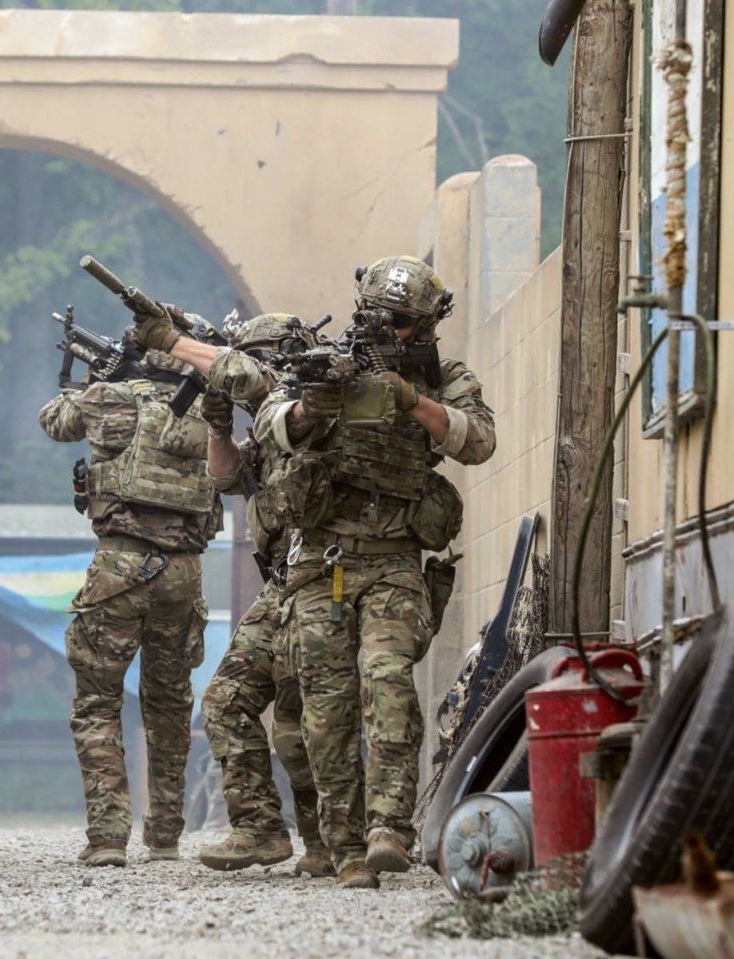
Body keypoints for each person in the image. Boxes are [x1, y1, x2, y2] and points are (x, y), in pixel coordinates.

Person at [249, 257, 496, 888]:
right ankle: (344, 846)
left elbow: (478, 440)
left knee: (384, 678)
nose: (392, 330)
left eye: (406, 322)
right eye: (380, 317)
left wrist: (413, 400)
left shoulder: (443, 377)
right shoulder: (325, 359)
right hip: (320, 562)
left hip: (392, 559)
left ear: (428, 324)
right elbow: (269, 427)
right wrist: (310, 409)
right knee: (326, 710)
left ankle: (389, 827)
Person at [131, 311, 334, 876]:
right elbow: (226, 479)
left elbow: (253, 378)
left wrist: (174, 341)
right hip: (284, 586)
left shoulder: (314, 403)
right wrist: (220, 429)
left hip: (331, 580)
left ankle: (330, 842)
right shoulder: (268, 425)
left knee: (303, 726)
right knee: (224, 700)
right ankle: (260, 829)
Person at [38, 348, 222, 867]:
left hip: (119, 568)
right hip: (184, 573)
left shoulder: (108, 398)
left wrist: (95, 378)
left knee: (97, 703)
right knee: (170, 706)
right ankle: (164, 835)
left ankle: (108, 837)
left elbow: (54, 420)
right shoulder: (207, 411)